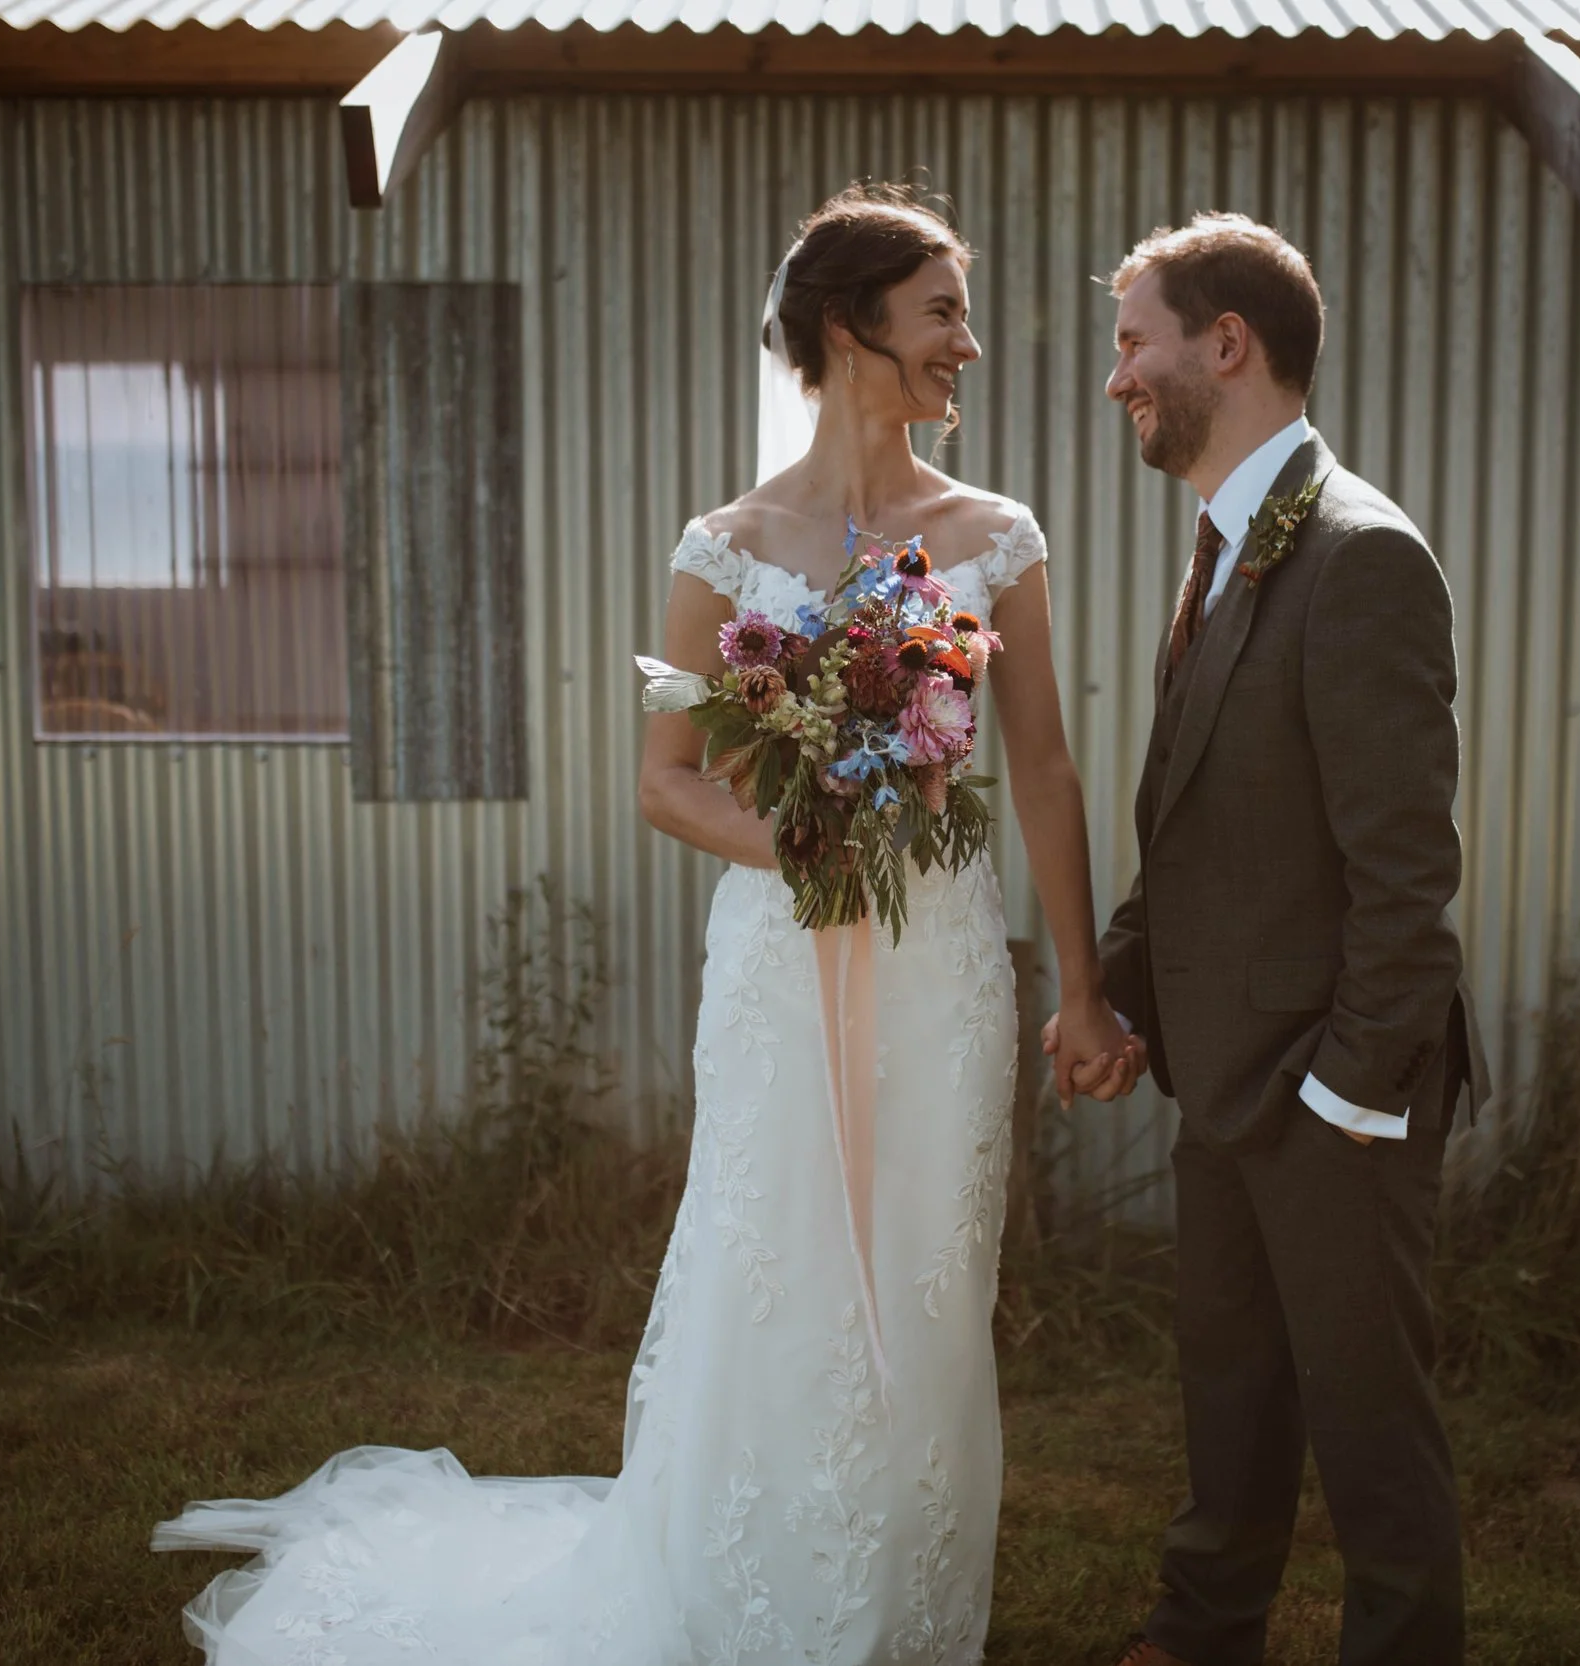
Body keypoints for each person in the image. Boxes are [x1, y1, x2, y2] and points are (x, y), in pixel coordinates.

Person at [152, 183, 1140, 1664]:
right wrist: (800, 839)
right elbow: (666, 785)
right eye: (943, 312)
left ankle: (897, 1603)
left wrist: (1080, 985)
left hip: (938, 954)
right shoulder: (724, 548)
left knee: (931, 1269)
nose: (970, 344)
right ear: (847, 325)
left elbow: (1046, 763)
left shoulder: (995, 537)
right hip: (780, 957)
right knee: (774, 1259)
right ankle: (739, 1596)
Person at [1052, 213, 1493, 1666]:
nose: (1117, 375)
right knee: (1230, 1383)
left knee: (1371, 1426)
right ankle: (1205, 1625)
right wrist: (1109, 994)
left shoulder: (1359, 557)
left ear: (1224, 345)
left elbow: (1407, 877)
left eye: (1134, 341)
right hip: (1225, 1076)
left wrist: (1343, 1097)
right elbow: (1192, 826)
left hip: (1331, 1096)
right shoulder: (1227, 545)